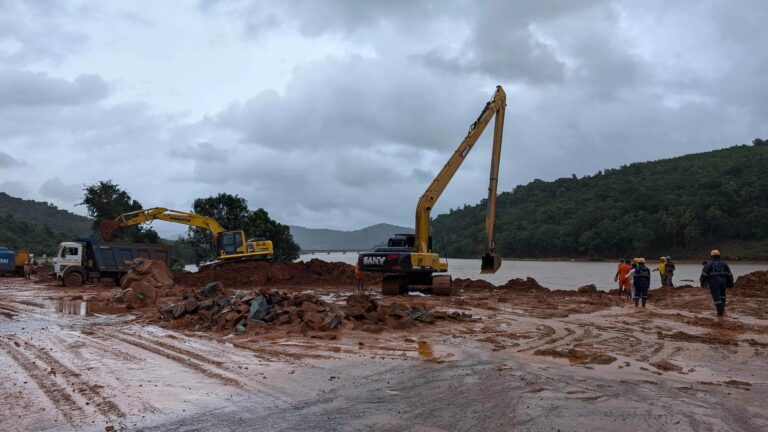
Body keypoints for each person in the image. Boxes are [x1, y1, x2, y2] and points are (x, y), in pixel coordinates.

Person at [700, 249, 734, 317]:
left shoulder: (708, 264)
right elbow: (729, 275)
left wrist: (702, 283)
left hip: (714, 284)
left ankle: (720, 314)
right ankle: (723, 311)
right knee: (723, 297)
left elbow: (704, 275)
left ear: (711, 256)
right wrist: (731, 284)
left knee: (717, 299)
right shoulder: (724, 264)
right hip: (723, 284)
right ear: (719, 256)